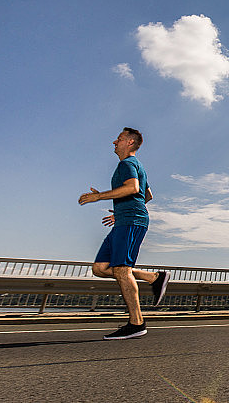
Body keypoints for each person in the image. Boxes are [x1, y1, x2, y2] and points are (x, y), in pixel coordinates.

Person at [78, 128, 169, 340]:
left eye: (118, 139)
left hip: (131, 221)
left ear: (129, 142)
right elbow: (147, 194)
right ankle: (152, 277)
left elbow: (132, 188)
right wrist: (122, 212)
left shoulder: (127, 164)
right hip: (125, 219)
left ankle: (136, 323)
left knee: (121, 270)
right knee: (100, 268)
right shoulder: (137, 166)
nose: (114, 142)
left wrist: (99, 197)